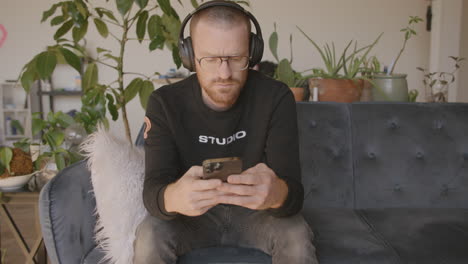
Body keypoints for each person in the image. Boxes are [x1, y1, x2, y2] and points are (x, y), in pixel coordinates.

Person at [134, 1, 318, 263]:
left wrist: (276, 192)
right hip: (191, 218)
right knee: (149, 236)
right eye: (209, 59)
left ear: (252, 53)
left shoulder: (276, 97)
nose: (224, 73)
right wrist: (174, 197)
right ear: (189, 56)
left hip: (257, 214)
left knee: (297, 235)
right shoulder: (164, 102)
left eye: (236, 58)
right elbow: (152, 192)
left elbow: (294, 195)